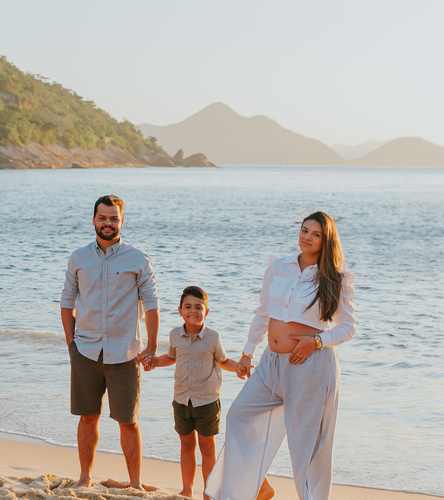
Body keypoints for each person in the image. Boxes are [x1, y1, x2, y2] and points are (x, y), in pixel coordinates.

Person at [205, 211, 356, 500]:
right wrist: (248, 352)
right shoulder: (279, 266)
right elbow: (263, 312)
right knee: (239, 416)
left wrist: (318, 342)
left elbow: (348, 328)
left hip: (310, 366)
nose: (307, 237)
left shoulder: (336, 278)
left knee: (306, 447)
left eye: (315, 234)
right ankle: (254, 489)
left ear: (326, 241)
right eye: (304, 230)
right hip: (269, 364)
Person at [61, 194, 160, 490]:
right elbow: (67, 301)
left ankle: (135, 483)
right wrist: (71, 345)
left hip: (125, 354)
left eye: (114, 218)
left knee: (128, 422)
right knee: (87, 418)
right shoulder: (79, 257)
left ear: (122, 221)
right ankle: (85, 478)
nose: (108, 223)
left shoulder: (138, 258)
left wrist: (152, 347)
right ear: (93, 219)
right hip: (86, 351)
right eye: (103, 217)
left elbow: (152, 303)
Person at [143, 285, 273, 499]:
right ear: (180, 310)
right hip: (181, 400)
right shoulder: (175, 334)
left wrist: (240, 367)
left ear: (206, 312)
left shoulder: (213, 337)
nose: (192, 311)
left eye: (198, 307)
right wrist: (155, 362)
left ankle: (208, 492)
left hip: (207, 402)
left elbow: (222, 361)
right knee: (186, 444)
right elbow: (172, 357)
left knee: (207, 448)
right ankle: (186, 489)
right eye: (187, 307)